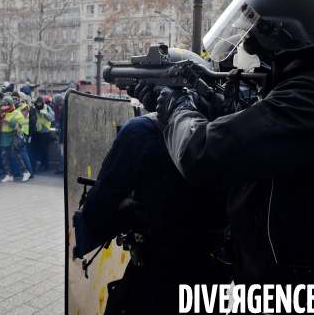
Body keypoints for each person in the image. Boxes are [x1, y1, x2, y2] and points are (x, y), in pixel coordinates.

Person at [158, 0, 314, 304]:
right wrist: (200, 98)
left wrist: (175, 107)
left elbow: (203, 153)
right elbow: (252, 128)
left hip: (297, 296)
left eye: (255, 35)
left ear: (282, 36)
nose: (249, 47)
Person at [76, 112, 231, 314]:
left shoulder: (141, 130)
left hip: (154, 283)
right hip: (215, 275)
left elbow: (98, 217)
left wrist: (129, 207)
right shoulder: (234, 122)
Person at [0, 96, 30, 182]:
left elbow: (19, 126)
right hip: (4, 136)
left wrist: (10, 123)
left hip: (13, 136)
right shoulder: (3, 114)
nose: (3, 106)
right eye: (2, 104)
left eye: (5, 104)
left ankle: (25, 172)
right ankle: (9, 174)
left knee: (16, 155)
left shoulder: (17, 113)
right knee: (4, 156)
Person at [29, 96, 54, 172]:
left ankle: (44, 165)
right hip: (35, 131)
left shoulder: (47, 108)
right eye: (37, 103)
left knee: (43, 149)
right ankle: (34, 165)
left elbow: (52, 118)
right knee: (34, 150)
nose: (39, 104)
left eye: (40, 103)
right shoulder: (32, 108)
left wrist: (45, 113)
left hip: (44, 132)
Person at [53, 94, 65, 174]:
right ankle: (63, 167)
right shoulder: (65, 106)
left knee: (61, 151)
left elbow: (60, 119)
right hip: (62, 131)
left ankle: (62, 167)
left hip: (63, 132)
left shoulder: (64, 108)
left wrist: (58, 126)